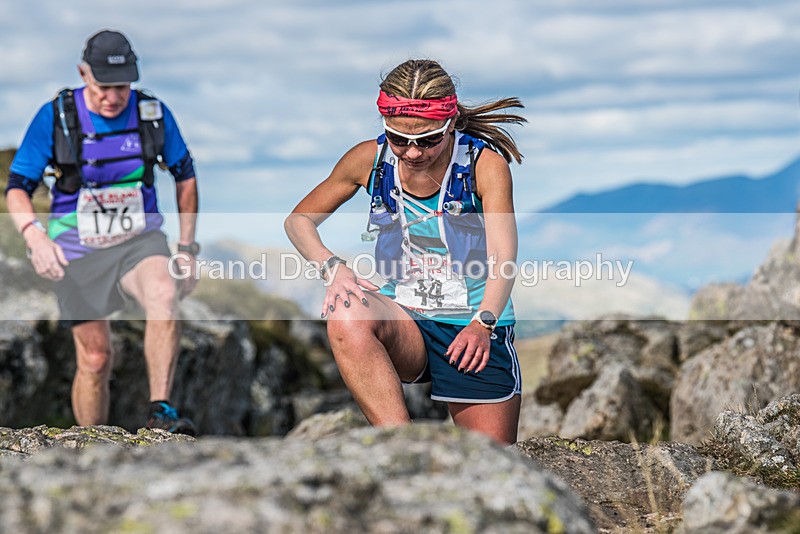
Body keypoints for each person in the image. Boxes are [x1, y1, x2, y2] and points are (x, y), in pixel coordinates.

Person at [285, 59, 526, 444]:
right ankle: (401, 450)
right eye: (399, 139)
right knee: (346, 312)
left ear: (450, 124)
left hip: (473, 326)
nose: (413, 153)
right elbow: (298, 222)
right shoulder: (370, 159)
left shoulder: (484, 165)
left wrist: (483, 324)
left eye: (429, 140)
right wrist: (333, 268)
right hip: (407, 319)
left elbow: (503, 257)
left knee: (496, 467)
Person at [5, 29, 199, 435]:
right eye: (104, 87)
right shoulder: (57, 116)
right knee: (95, 359)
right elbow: (18, 188)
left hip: (139, 241)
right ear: (83, 73)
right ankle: (92, 445)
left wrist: (186, 248)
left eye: (123, 86)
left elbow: (185, 174)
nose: (113, 97)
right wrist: (35, 238)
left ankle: (161, 411)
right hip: (77, 249)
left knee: (164, 293)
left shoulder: (152, 113)